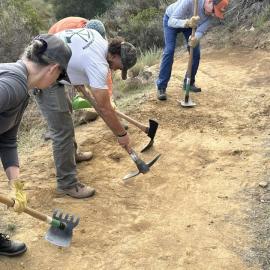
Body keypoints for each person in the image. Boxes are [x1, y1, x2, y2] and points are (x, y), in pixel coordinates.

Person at [34, 25, 137, 199]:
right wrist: (121, 134)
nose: (118, 70)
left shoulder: (98, 38)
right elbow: (104, 108)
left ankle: (71, 155)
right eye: (120, 67)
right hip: (41, 74)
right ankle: (67, 184)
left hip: (53, 68)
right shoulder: (98, 63)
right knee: (62, 131)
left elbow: (76, 51)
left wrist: (75, 74)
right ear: (113, 55)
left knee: (66, 115)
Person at [0, 34, 72, 256]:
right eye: (60, 76)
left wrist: (16, 184)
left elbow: (7, 140)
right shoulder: (13, 84)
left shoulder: (21, 91)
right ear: (53, 69)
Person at [156, 0, 229, 100]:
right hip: (172, 19)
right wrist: (187, 22)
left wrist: (196, 38)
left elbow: (200, 31)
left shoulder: (210, 16)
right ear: (209, 1)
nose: (213, 13)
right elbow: (171, 22)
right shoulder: (190, 1)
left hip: (190, 26)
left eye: (215, 12)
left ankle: (188, 83)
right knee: (169, 50)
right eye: (213, 10)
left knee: (195, 52)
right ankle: (161, 87)